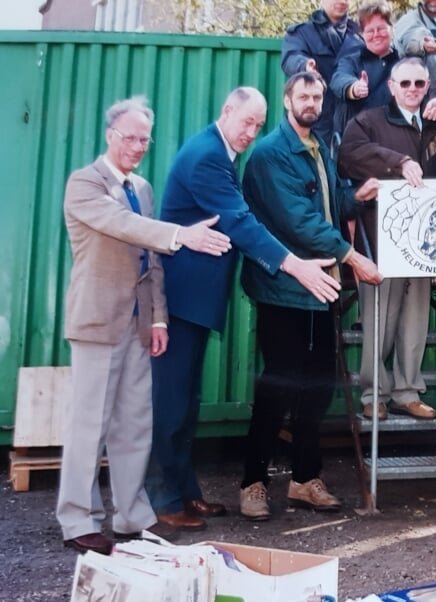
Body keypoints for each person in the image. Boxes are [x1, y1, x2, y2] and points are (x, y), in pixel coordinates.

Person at [146, 87, 344, 533]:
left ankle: (185, 491)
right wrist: (295, 266)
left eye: (258, 125)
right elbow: (240, 223)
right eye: (246, 123)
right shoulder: (208, 156)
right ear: (227, 111)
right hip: (180, 299)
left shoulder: (222, 151)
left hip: (197, 300)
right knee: (171, 404)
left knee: (188, 402)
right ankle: (162, 497)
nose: (251, 132)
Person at [57, 97, 232, 554]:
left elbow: (150, 260)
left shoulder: (144, 187)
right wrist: (182, 234)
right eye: (130, 137)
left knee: (135, 425)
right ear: (110, 135)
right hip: (97, 322)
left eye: (144, 139)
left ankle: (132, 516)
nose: (137, 146)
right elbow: (123, 226)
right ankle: (79, 521)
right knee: (88, 426)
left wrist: (158, 317)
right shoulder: (85, 184)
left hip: (138, 327)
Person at [237, 72, 383, 520]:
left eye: (318, 96)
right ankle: (253, 483)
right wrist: (354, 259)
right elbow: (298, 219)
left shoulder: (321, 146)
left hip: (321, 292)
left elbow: (329, 202)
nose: (311, 102)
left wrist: (356, 195)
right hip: (283, 290)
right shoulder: (269, 155)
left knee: (317, 389)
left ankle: (304, 480)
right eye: (304, 95)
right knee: (277, 387)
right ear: (288, 99)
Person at [339, 57, 436, 421]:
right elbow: (349, 156)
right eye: (405, 84)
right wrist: (397, 161)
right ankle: (374, 394)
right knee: (379, 321)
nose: (413, 90)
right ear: (391, 86)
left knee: (416, 319)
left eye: (420, 84)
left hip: (424, 242)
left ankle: (407, 391)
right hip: (381, 240)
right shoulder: (369, 121)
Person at [281, 0, 363, 142]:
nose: (342, 1)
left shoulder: (360, 36)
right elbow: (290, 58)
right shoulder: (302, 33)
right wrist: (305, 66)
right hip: (314, 120)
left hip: (352, 125)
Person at [330, 2, 401, 137]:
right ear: (362, 34)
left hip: (394, 139)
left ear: (392, 29)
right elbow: (338, 79)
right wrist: (354, 87)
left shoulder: (403, 65)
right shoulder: (351, 61)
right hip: (357, 140)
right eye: (370, 31)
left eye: (381, 29)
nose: (376, 35)